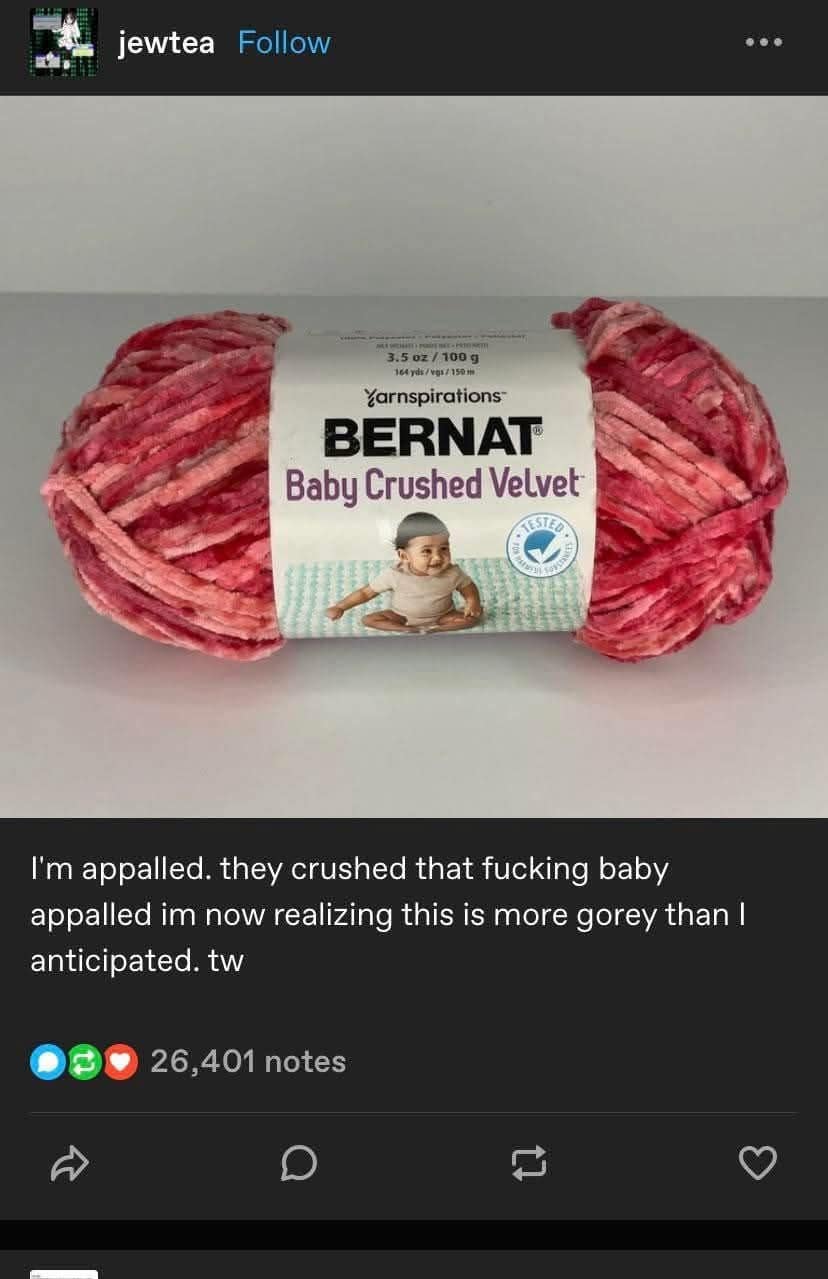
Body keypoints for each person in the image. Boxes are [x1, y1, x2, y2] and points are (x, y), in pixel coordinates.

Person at [326, 512, 482, 633]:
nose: (438, 557)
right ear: (404, 556)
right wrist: (340, 607)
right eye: (427, 551)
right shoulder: (395, 575)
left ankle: (438, 630)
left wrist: (473, 602)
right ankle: (404, 629)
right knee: (369, 619)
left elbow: (468, 588)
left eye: (444, 548)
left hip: (443, 616)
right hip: (401, 616)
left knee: (472, 619)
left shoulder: (453, 573)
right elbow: (365, 593)